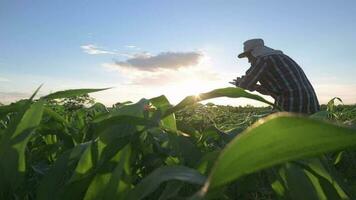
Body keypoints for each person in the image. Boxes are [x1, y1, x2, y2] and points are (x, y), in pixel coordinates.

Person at [231, 38, 320, 114]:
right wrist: (256, 87)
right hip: (310, 102)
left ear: (253, 53)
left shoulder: (263, 59)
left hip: (292, 102)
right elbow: (276, 89)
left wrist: (239, 82)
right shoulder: (281, 57)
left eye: (248, 56)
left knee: (275, 131)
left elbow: (246, 84)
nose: (249, 60)